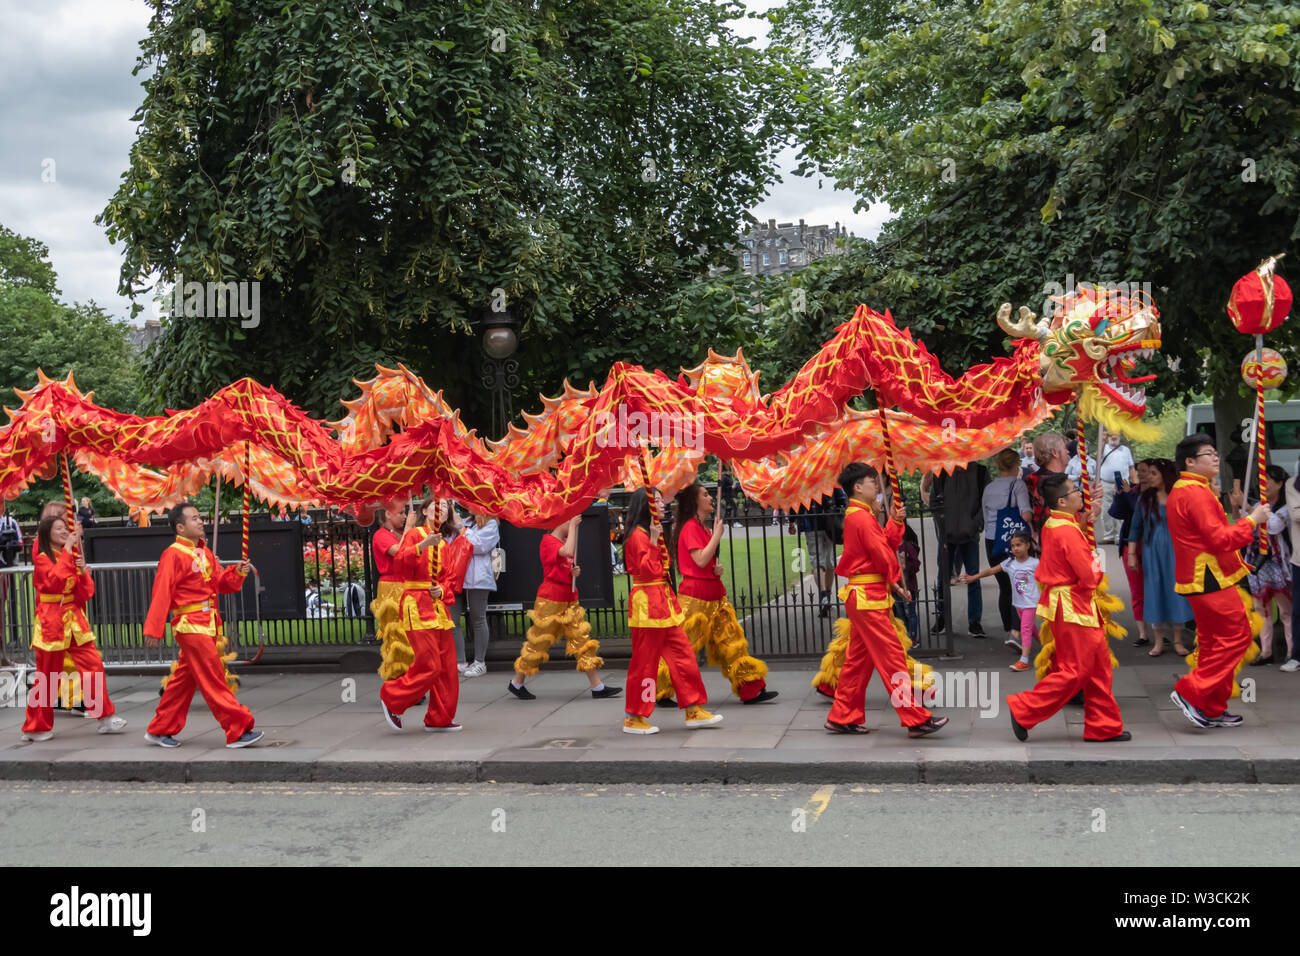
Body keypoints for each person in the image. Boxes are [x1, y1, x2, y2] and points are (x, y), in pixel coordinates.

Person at [826, 461, 948, 737]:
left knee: (858, 661)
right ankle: (915, 719)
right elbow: (882, 555)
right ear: (858, 488)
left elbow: (882, 545)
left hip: (867, 597)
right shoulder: (861, 516)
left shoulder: (862, 514)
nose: (877, 487)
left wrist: (895, 521)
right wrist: (895, 579)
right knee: (892, 659)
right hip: (868, 598)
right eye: (872, 482)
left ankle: (843, 715)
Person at [1007, 475, 1129, 742]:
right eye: (1075, 491)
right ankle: (1025, 708)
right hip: (1074, 604)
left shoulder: (1058, 522)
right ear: (1062, 501)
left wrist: (1086, 520)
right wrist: (1095, 560)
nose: (1079, 494)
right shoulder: (1065, 530)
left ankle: (1103, 725)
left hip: (1073, 604)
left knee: (1097, 666)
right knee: (1077, 670)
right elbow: (1089, 576)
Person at [1167, 434, 1269, 729]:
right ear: (1189, 461)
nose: (1215, 458)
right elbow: (1219, 539)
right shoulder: (1194, 492)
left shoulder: (1191, 488)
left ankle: (1210, 706)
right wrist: (1252, 520)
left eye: (1215, 452)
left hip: (1201, 576)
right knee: (1237, 635)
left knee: (1213, 644)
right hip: (1209, 575)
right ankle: (1191, 690)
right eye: (1208, 453)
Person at [143, 501, 261, 748]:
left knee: (183, 681)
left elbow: (219, 583)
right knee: (214, 678)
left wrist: (236, 572)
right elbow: (162, 592)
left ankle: (160, 728)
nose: (200, 521)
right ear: (180, 527)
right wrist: (153, 628)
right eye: (194, 518)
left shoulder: (204, 552)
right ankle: (237, 729)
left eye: (199, 517)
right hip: (190, 625)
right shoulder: (172, 554)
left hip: (206, 624)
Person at [655, 481, 777, 705]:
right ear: (695, 502)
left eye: (709, 494)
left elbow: (705, 561)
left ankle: (750, 687)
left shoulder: (704, 528)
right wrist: (716, 536)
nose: (711, 498)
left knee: (732, 642)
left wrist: (716, 567)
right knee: (683, 646)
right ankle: (661, 689)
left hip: (715, 594)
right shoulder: (691, 527)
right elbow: (699, 559)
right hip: (695, 598)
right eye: (705, 495)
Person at [620, 487, 722, 735]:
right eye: (656, 501)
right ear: (646, 506)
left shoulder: (651, 532)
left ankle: (693, 707)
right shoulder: (638, 535)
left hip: (664, 604)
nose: (663, 503)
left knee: (683, 656)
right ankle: (634, 716)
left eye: (661, 500)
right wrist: (654, 540)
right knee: (645, 663)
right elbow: (645, 571)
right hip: (648, 606)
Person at [20, 514, 127, 741]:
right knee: (48, 676)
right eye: (59, 529)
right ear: (47, 533)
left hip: (73, 620)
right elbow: (54, 582)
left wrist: (83, 573)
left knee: (93, 665)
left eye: (65, 528)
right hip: (52, 621)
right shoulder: (42, 558)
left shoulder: (70, 556)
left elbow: (84, 594)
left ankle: (104, 717)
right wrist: (69, 549)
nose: (63, 532)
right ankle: (36, 726)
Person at [509, 513, 620, 700]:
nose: (572, 523)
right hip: (551, 600)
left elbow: (568, 560)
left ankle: (597, 686)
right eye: (568, 520)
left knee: (581, 640)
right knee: (539, 642)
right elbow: (568, 552)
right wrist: (574, 526)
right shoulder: (548, 541)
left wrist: (573, 571)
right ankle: (517, 682)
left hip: (569, 598)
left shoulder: (563, 541)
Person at [379, 497, 462, 732]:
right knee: (429, 664)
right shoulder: (416, 534)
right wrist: (422, 545)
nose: (441, 509)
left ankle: (440, 717)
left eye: (445, 507)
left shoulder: (445, 545)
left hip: (437, 608)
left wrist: (442, 589)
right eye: (437, 505)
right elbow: (400, 563)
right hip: (416, 604)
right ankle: (392, 698)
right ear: (425, 510)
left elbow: (450, 579)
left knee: (446, 667)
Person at [1129, 459, 1193, 657]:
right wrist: (1131, 554)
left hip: (1176, 550)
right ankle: (1157, 642)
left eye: (1154, 473)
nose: (1149, 477)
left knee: (1177, 593)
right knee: (1154, 592)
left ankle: (1178, 640)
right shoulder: (1145, 499)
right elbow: (1135, 527)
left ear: (1165, 476)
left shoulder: (1179, 496)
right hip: (1152, 550)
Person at [1230, 466, 1293, 666]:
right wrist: (1236, 506)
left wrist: (1249, 508)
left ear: (1280, 484)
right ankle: (1266, 652)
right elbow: (1240, 523)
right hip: (1256, 561)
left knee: (1286, 609)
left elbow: (1273, 526)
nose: (1264, 486)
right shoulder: (1259, 504)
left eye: (1269, 481)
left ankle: (1292, 651)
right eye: (1262, 481)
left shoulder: (1285, 507)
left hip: (1277, 562)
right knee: (1261, 608)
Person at [922, 461, 989, 635]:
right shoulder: (941, 471)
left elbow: (985, 502)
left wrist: (975, 525)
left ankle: (975, 622)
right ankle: (942, 618)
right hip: (947, 534)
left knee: (973, 577)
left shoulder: (980, 472)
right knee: (942, 577)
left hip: (970, 533)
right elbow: (935, 502)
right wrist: (943, 526)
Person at [981, 448, 1032, 643]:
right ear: (1016, 464)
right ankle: (1015, 631)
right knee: (1019, 584)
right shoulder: (1017, 485)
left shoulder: (989, 488)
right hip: (1013, 541)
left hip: (992, 540)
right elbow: (1025, 513)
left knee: (1004, 586)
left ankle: (1008, 628)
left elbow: (986, 516)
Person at [370, 498, 415, 680]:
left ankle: (409, 677)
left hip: (404, 585)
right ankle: (396, 677)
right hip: (391, 587)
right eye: (401, 513)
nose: (404, 516)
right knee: (395, 634)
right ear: (388, 514)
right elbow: (399, 552)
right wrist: (408, 528)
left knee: (409, 634)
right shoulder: (381, 535)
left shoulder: (395, 532)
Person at [1111, 459, 1153, 647]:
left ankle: (1159, 629)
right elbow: (1116, 513)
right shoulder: (1133, 491)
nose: (1143, 475)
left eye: (1148, 471)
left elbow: (1143, 513)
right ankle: (1143, 633)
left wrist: (1128, 495)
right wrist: (1120, 495)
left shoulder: (1158, 494)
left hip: (1153, 545)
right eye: (1140, 471)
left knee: (1155, 589)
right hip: (1131, 545)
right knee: (1137, 591)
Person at [787, 489, 847, 618]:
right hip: (830, 522)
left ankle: (823, 596)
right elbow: (842, 498)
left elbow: (795, 501)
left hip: (811, 523)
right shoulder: (827, 476)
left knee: (817, 562)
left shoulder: (803, 480)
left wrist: (791, 521)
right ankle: (828, 595)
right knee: (830, 561)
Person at [459, 507, 500, 678]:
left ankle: (480, 662)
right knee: (456, 619)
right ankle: (460, 661)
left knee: (478, 618)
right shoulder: (467, 522)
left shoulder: (492, 524)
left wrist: (462, 535)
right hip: (460, 576)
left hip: (479, 578)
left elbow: (475, 546)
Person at [1089, 433, 1138, 544]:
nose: (1114, 437)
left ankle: (1119, 535)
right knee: (1106, 509)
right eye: (1111, 434)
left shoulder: (1125, 450)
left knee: (1121, 507)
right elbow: (1098, 458)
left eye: (1116, 434)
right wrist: (1102, 441)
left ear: (1119, 436)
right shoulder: (1103, 448)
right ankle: (1108, 535)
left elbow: (1131, 467)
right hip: (1106, 482)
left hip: (1122, 482)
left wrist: (1135, 484)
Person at [1024, 432, 1070, 540]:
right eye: (1064, 449)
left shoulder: (1032, 479)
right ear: (1055, 453)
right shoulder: (1056, 484)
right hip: (1059, 542)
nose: (1068, 451)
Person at [896, 524, 921, 642]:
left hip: (908, 585)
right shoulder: (890, 547)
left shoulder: (908, 547)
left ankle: (913, 637)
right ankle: (905, 637)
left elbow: (916, 564)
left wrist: (906, 566)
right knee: (900, 613)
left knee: (910, 613)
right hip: (896, 586)